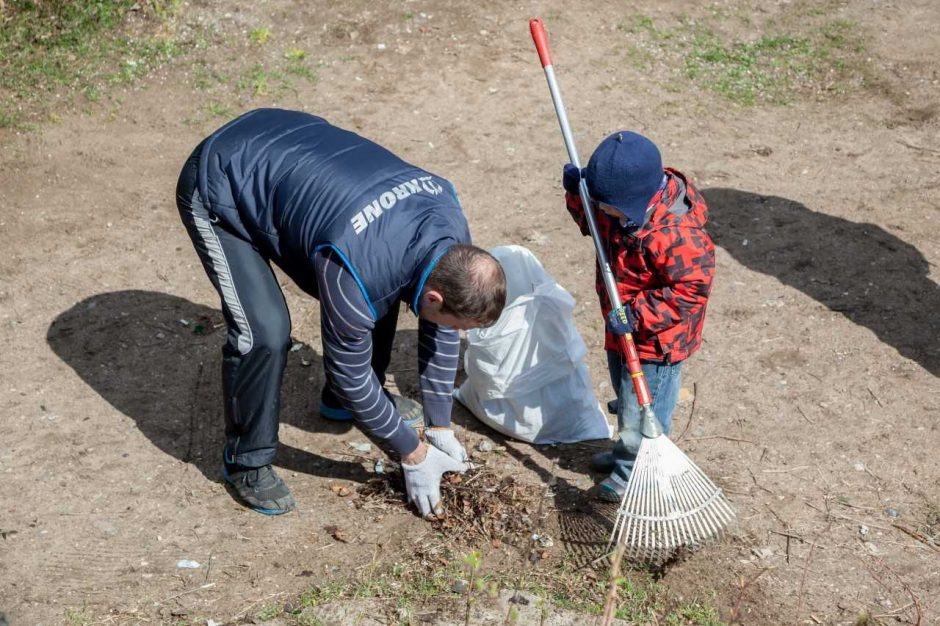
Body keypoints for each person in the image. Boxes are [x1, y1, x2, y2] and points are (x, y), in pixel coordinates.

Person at [175, 108, 506, 517]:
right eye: (453, 322)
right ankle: (247, 462)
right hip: (223, 180)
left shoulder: (451, 234)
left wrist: (439, 427)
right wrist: (413, 453)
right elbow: (351, 374)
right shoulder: (356, 265)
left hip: (292, 150)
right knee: (264, 332)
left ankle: (338, 404)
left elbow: (438, 330)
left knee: (386, 288)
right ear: (436, 299)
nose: (451, 332)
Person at [561, 131, 715, 502]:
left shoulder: (676, 234)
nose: (605, 213)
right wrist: (576, 195)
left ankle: (636, 471)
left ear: (637, 201)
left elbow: (691, 290)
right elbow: (593, 227)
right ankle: (624, 450)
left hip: (657, 340)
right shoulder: (621, 206)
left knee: (644, 407)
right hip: (621, 325)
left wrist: (639, 315)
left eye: (610, 209)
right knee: (624, 393)